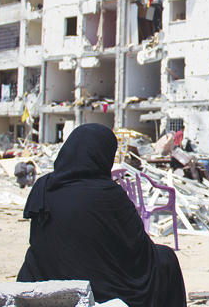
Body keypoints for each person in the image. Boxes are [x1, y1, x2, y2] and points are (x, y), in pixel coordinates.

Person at [17, 123, 187, 307]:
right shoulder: (109, 194)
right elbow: (139, 248)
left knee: (31, 262)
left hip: (48, 282)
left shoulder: (43, 187)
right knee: (165, 259)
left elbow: (37, 240)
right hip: (104, 289)